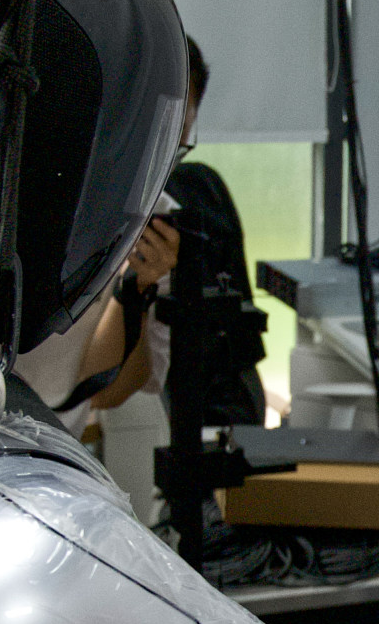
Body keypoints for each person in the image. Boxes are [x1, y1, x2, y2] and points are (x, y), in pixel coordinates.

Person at [76, 37, 265, 422]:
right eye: (147, 143)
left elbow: (109, 392)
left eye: (174, 150)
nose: (155, 169)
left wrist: (135, 288)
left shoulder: (159, 219)